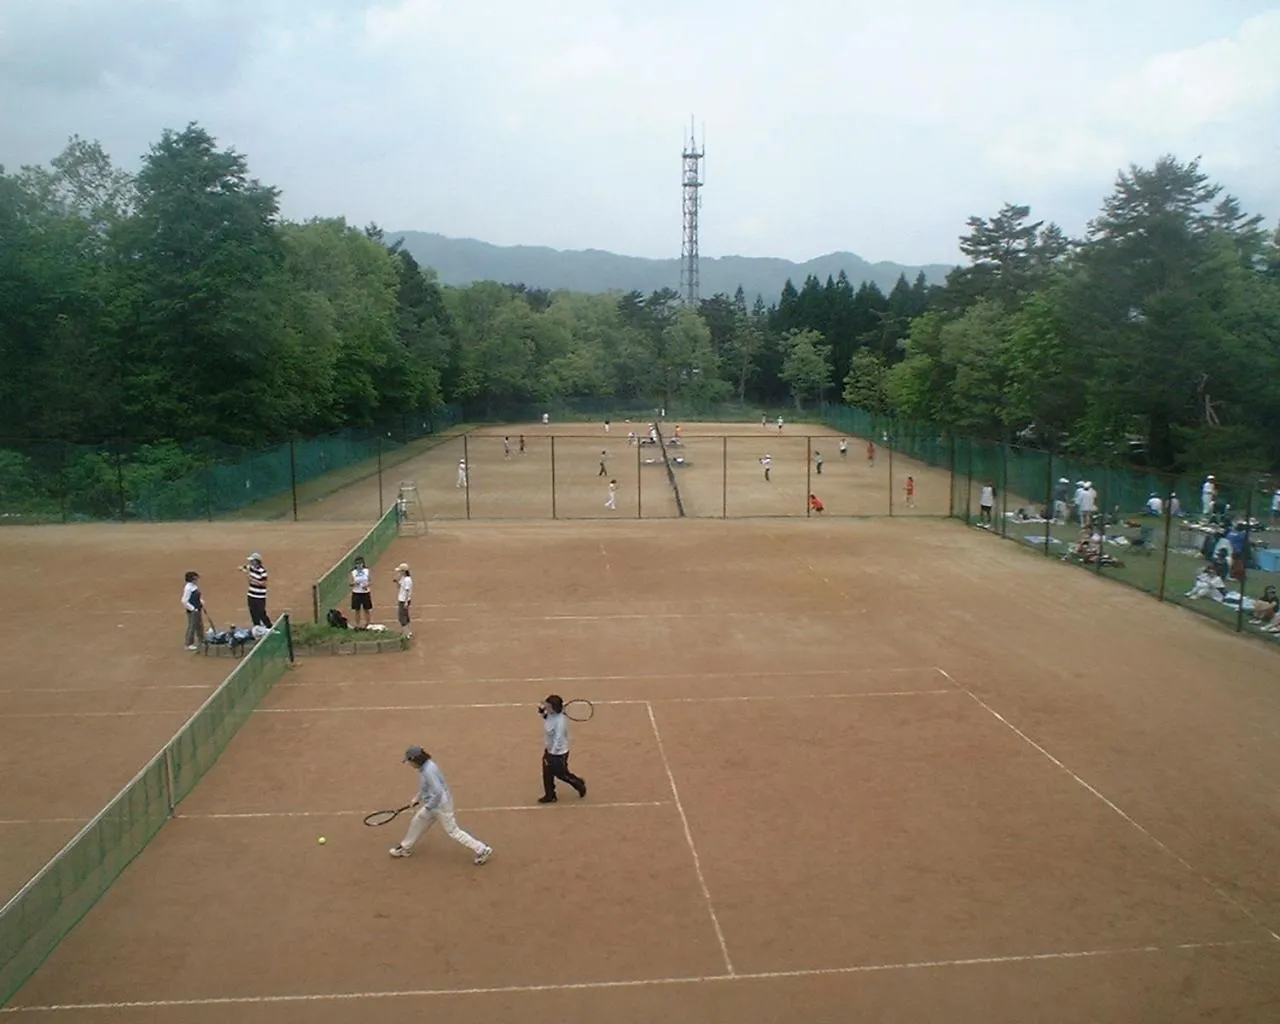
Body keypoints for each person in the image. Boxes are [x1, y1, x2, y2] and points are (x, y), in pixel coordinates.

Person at [389, 746, 492, 864]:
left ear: (416, 760)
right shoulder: (427, 766)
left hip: (441, 806)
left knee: (453, 831)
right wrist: (417, 798)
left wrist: (429, 806)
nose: (409, 763)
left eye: (409, 761)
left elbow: (438, 791)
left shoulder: (428, 771)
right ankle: (405, 847)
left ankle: (482, 849)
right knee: (418, 820)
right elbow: (426, 786)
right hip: (434, 803)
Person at [538, 695, 586, 803]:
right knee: (547, 773)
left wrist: (552, 755)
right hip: (550, 750)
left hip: (558, 754)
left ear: (554, 708)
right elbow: (546, 717)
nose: (546, 707)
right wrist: (541, 711)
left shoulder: (560, 722)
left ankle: (578, 784)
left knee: (562, 774)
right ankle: (550, 795)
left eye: (548, 706)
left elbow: (558, 740)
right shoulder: (551, 714)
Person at [240, 553, 271, 628]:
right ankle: (257, 627)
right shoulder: (250, 568)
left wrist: (253, 580)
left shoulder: (262, 571)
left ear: (256, 561)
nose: (250, 562)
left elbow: (264, 584)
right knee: (253, 612)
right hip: (251, 595)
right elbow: (242, 567)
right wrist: (243, 570)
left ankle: (269, 626)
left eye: (252, 560)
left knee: (261, 612)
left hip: (260, 596)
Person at [181, 571, 208, 651]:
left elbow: (196, 597)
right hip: (193, 611)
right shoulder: (188, 588)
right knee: (192, 626)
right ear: (192, 579)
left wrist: (201, 601)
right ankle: (188, 643)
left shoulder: (194, 586)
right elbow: (184, 601)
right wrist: (193, 609)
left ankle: (202, 639)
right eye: (196, 578)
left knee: (199, 625)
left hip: (197, 608)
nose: (197, 580)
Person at [349, 555, 372, 629]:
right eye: (357, 564)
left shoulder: (367, 571)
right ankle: (358, 625)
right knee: (357, 610)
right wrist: (354, 584)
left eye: (360, 563)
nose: (359, 565)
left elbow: (370, 581)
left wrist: (367, 585)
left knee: (366, 609)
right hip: (356, 593)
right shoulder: (353, 572)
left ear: (363, 563)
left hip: (365, 593)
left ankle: (367, 624)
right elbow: (350, 583)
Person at [394, 563, 413, 632]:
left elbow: (407, 591)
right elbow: (399, 587)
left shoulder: (407, 580)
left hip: (403, 600)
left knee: (401, 617)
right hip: (402, 599)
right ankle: (408, 631)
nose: (399, 572)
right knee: (405, 616)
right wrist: (397, 581)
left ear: (404, 571)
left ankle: (406, 632)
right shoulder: (403, 578)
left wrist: (405, 602)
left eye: (400, 571)